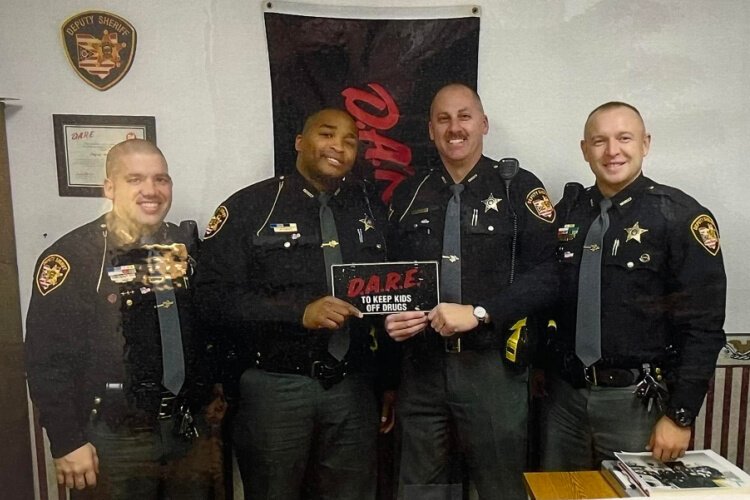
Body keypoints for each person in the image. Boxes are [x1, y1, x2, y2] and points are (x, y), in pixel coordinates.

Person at [195, 108, 394, 499]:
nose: (339, 146)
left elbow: (388, 298)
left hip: (352, 389)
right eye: (327, 134)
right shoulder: (249, 207)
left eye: (350, 140)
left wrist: (389, 382)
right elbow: (211, 298)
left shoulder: (369, 210)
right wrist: (297, 312)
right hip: (275, 386)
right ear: (300, 143)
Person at [385, 83, 558, 498]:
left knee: (500, 488)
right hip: (420, 370)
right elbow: (389, 276)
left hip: (492, 368)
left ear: (483, 124)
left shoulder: (519, 189)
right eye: (443, 119)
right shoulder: (409, 193)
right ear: (430, 129)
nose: (454, 128)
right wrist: (390, 314)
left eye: (464, 116)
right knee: (422, 489)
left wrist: (481, 312)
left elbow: (551, 274)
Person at [25, 139, 218, 499]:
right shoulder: (76, 255)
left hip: (186, 430)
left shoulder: (184, 245)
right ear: (110, 188)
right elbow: (46, 361)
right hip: (114, 437)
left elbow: (204, 328)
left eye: (161, 179)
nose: (151, 190)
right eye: (135, 179)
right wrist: (67, 442)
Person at [541, 102, 726, 470]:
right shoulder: (569, 212)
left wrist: (680, 416)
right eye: (600, 141)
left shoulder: (680, 216)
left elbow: (703, 327)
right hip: (565, 400)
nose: (612, 151)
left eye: (624, 138)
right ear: (584, 149)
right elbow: (544, 290)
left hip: (636, 404)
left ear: (645, 143)